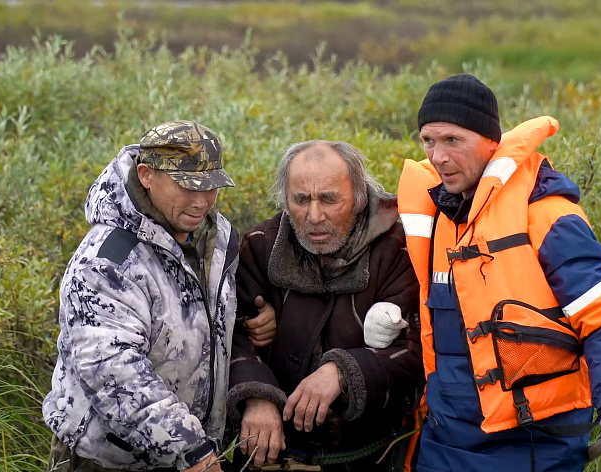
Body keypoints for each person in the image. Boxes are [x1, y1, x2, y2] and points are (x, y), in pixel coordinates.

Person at [396, 74, 601, 472]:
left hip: (535, 443)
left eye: (452, 140)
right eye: (428, 141)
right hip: (446, 440)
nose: (438, 156)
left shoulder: (548, 213)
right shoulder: (436, 218)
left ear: (491, 142)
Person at [43, 120, 240, 472]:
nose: (201, 202)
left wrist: (258, 322)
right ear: (147, 175)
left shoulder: (218, 240)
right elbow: (113, 372)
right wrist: (190, 450)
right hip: (109, 461)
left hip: (194, 455)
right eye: (187, 186)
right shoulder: (107, 262)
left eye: (211, 187)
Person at [226, 140, 424, 471]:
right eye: (300, 200)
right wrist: (256, 396)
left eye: (330, 199)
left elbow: (418, 349)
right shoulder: (260, 246)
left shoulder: (397, 250)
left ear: (359, 198)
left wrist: (343, 371)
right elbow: (229, 333)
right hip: (277, 456)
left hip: (371, 456)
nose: (314, 216)